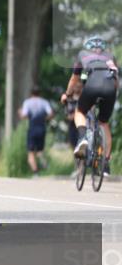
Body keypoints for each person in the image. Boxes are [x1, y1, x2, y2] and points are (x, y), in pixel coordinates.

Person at [61, 37, 119, 173]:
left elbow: (75, 78)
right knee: (104, 123)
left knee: (80, 111)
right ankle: (105, 163)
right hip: (111, 88)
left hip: (92, 87)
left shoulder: (82, 54)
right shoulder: (111, 56)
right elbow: (116, 81)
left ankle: (82, 139)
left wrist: (68, 94)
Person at [18, 87, 53, 176]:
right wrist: (44, 119)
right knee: (40, 151)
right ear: (39, 93)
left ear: (31, 93)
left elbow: (24, 116)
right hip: (42, 128)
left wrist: (19, 112)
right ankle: (44, 163)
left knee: (31, 152)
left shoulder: (27, 102)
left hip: (32, 128)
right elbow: (51, 113)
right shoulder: (44, 102)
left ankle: (35, 172)